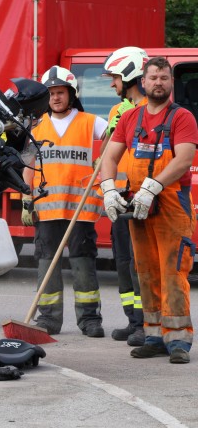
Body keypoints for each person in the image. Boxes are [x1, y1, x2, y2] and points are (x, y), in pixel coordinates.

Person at [101, 56, 197, 364]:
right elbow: (110, 157)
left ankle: (179, 340)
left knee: (173, 271)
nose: (158, 82)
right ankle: (154, 335)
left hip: (170, 202)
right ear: (143, 82)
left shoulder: (182, 117)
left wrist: (152, 187)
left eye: (164, 78)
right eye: (153, 77)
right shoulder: (131, 118)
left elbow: (183, 160)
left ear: (171, 82)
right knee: (146, 271)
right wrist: (108, 188)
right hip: (139, 205)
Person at [22, 66, 108, 337]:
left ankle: (90, 319)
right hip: (47, 208)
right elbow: (28, 164)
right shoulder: (36, 127)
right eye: (50, 93)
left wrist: (103, 157)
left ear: (71, 94)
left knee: (83, 263)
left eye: (60, 92)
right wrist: (26, 197)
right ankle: (49, 319)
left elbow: (114, 138)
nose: (55, 98)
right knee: (47, 263)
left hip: (81, 207)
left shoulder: (91, 122)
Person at [100, 47, 149, 346]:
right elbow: (109, 153)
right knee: (122, 262)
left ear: (130, 75)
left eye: (115, 78)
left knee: (139, 264)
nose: (112, 84)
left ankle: (146, 324)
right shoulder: (119, 110)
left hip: (142, 195)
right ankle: (133, 322)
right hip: (122, 195)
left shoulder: (150, 110)